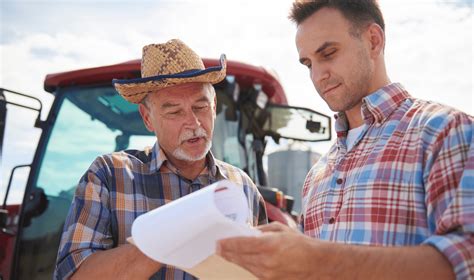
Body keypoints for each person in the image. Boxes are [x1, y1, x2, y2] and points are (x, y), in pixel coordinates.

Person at [217, 1, 473, 279]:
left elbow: (467, 259)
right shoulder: (317, 176)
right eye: (308, 64)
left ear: (373, 41)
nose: (317, 76)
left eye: (328, 53)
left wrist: (317, 259)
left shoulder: (443, 131)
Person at [54, 39, 267, 279]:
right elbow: (73, 275)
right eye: (175, 111)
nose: (194, 124)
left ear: (214, 104)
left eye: (201, 107)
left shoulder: (244, 187)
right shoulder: (108, 175)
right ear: (147, 118)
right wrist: (181, 229)